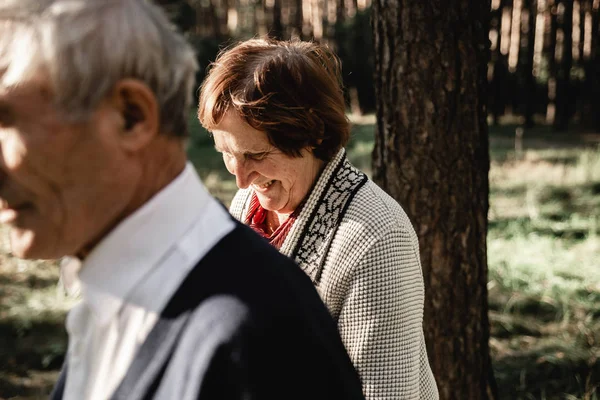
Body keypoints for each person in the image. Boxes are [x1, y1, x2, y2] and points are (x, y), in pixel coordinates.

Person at [0, 2, 366, 399]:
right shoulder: (105, 298)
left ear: (131, 116)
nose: (241, 179)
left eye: (6, 121)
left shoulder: (254, 340)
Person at [198, 38, 439, 400]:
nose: (241, 178)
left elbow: (384, 394)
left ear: (312, 134)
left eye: (257, 154)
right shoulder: (248, 202)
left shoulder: (377, 238)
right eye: (226, 153)